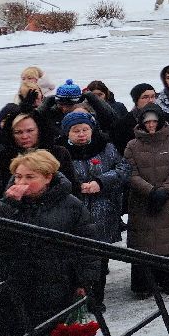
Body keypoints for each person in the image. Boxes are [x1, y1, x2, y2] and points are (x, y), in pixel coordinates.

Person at [0, 150, 100, 336]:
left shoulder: (71, 205)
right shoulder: (9, 204)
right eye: (18, 176)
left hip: (53, 291)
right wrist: (7, 203)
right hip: (8, 290)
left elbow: (88, 247)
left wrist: (84, 282)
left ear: (48, 177)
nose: (21, 182)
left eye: (30, 177)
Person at [59, 111, 131, 309]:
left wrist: (101, 182)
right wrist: (76, 186)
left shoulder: (106, 147)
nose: (81, 134)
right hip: (74, 210)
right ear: (67, 133)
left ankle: (96, 298)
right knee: (75, 256)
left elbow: (123, 169)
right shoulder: (61, 151)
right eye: (76, 131)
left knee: (100, 257)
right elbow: (55, 176)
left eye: (85, 130)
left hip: (104, 208)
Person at [124, 103, 169, 297]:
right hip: (143, 201)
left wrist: (165, 191)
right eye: (147, 122)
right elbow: (130, 173)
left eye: (154, 121)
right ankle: (144, 284)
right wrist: (151, 191)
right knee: (144, 242)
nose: (151, 125)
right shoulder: (132, 145)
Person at [0, 108, 70, 208]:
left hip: (55, 209)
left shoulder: (59, 153)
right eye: (18, 132)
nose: (25, 136)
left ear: (39, 130)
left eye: (30, 131)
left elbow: (70, 186)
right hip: (12, 212)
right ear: (11, 134)